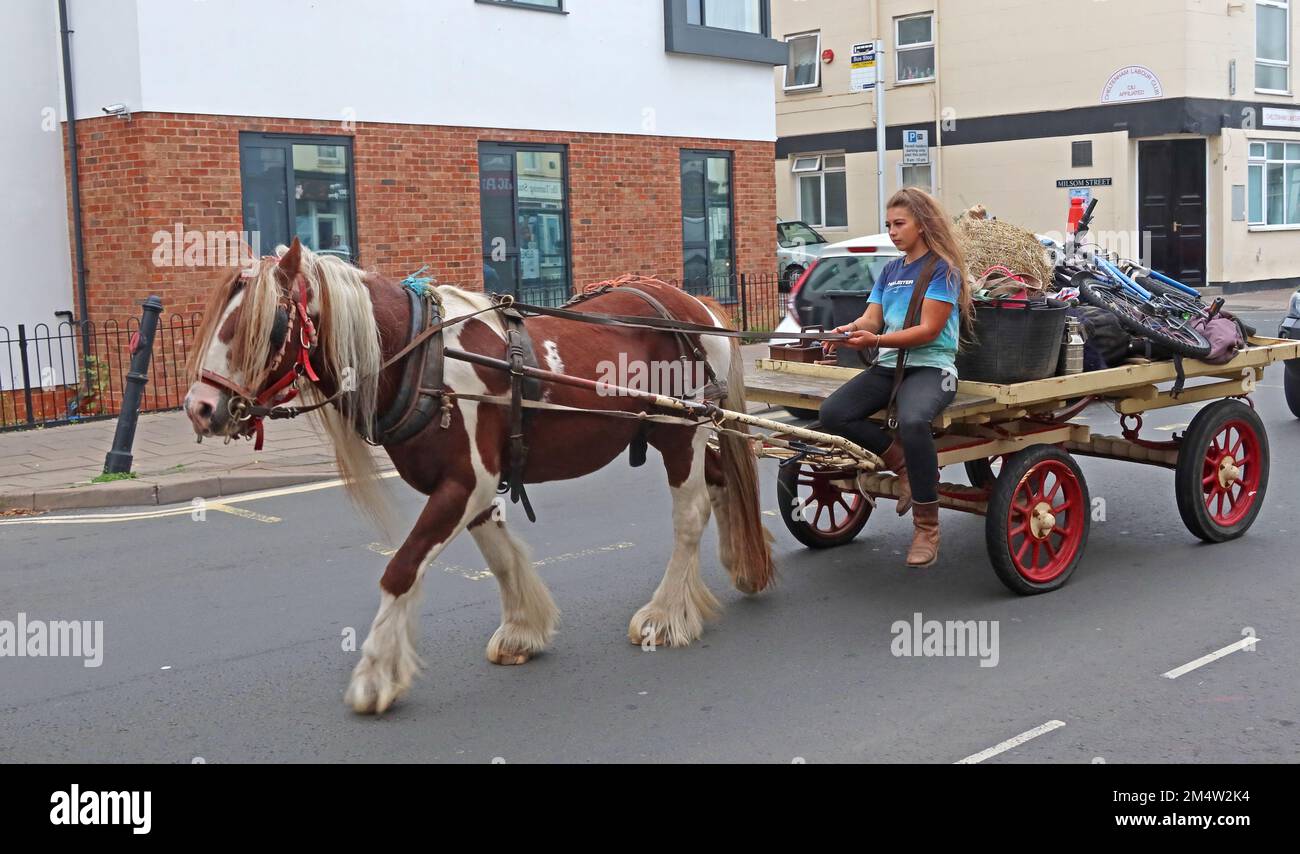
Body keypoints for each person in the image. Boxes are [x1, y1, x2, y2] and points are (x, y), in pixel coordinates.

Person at [818, 188, 973, 568]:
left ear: (921, 223)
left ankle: (926, 527)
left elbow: (929, 330)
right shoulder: (890, 270)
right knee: (833, 414)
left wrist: (876, 339)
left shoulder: (942, 270)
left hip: (932, 367)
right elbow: (871, 318)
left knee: (914, 419)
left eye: (899, 224)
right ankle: (902, 463)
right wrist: (848, 330)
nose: (892, 232)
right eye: (888, 225)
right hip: (889, 366)